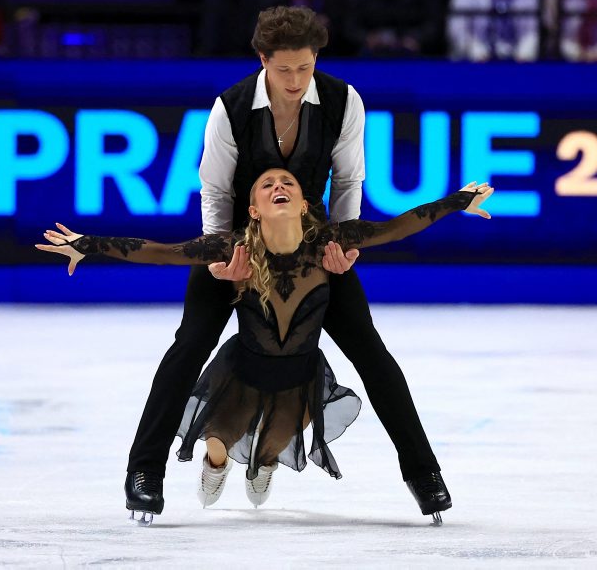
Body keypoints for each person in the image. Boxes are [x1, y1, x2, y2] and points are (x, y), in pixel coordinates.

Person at [116, 5, 463, 525]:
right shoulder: (231, 108)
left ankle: (424, 474)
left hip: (311, 247)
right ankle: (144, 472)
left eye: (305, 67)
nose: (296, 80)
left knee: (371, 352)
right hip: (238, 245)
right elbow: (215, 190)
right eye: (284, 69)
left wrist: (342, 247)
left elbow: (348, 181)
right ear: (263, 61)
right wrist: (221, 258)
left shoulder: (343, 101)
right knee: (188, 346)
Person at [36, 170, 494, 525]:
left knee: (275, 448)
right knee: (220, 437)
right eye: (268, 184)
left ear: (304, 204)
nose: (279, 186)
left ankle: (403, 472)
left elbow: (398, 227)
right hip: (244, 367)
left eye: (288, 183)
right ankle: (205, 464)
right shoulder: (231, 248)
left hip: (299, 371)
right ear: (253, 209)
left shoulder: (331, 242)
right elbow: (160, 251)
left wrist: (458, 202)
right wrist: (88, 244)